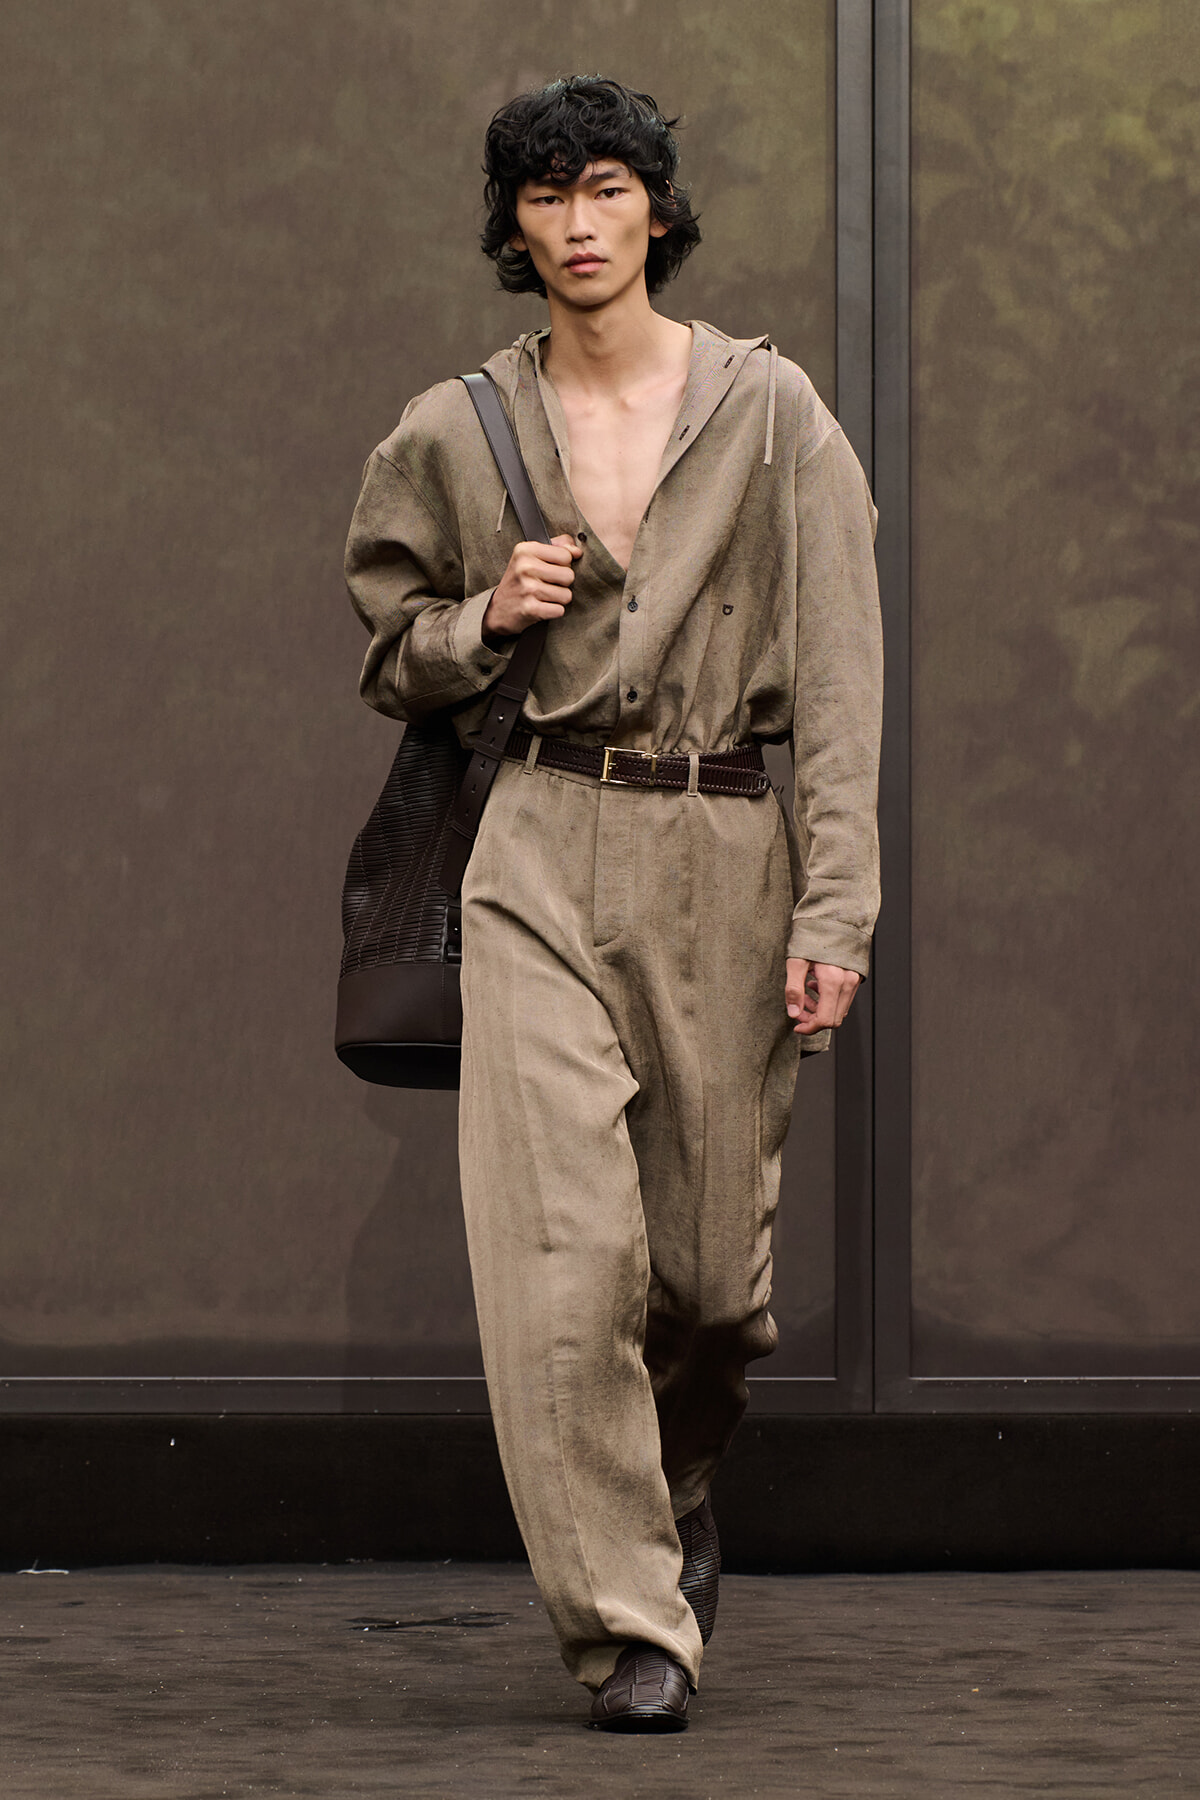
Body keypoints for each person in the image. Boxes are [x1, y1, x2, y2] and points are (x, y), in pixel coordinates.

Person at [344, 75, 881, 1732]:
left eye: (604, 188)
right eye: (544, 196)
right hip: (534, 846)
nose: (577, 223)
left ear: (655, 205)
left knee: (711, 1295)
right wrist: (482, 619)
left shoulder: (773, 415)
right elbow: (392, 649)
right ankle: (630, 1626)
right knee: (562, 1268)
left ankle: (673, 1489)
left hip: (725, 849)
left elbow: (841, 680)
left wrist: (836, 912)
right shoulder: (456, 429)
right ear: (512, 227)